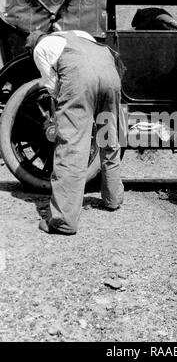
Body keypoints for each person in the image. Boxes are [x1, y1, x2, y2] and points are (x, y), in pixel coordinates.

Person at [25, 28, 124, 235]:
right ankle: (113, 199)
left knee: (72, 145)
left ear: (33, 45)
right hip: (109, 73)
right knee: (109, 136)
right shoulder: (78, 34)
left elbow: (53, 87)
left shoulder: (40, 48)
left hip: (81, 78)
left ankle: (63, 221)